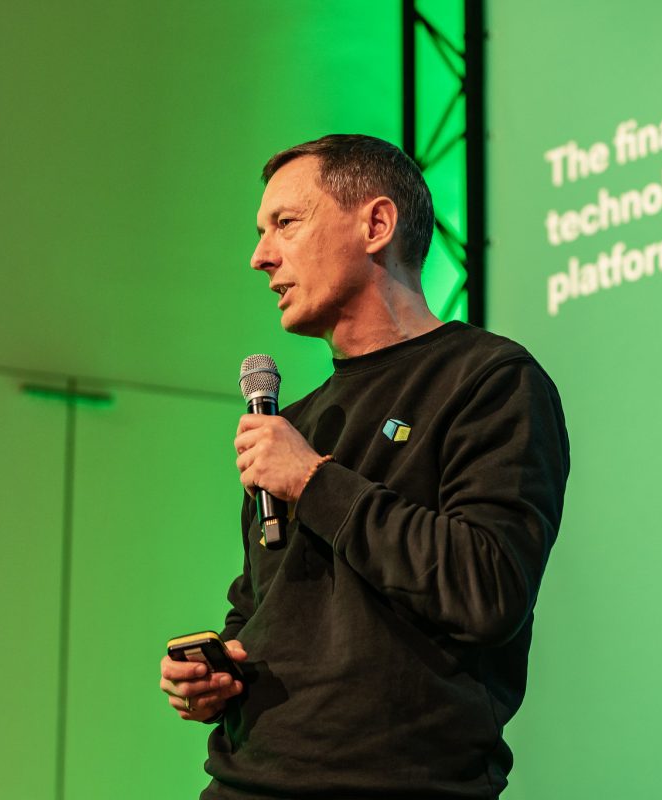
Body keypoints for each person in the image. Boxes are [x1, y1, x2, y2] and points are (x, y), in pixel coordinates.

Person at [159, 134, 570, 799]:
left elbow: (487, 588)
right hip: (244, 782)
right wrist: (221, 672)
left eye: (285, 223)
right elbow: (265, 603)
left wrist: (314, 481)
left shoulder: (488, 381)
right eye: (261, 233)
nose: (260, 256)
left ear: (376, 225)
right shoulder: (292, 423)